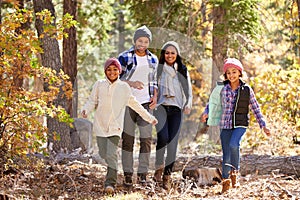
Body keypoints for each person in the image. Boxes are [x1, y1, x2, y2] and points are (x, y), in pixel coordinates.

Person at [81, 58, 157, 194]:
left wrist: (149, 117)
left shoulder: (123, 87)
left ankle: (110, 183)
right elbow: (92, 100)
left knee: (111, 154)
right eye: (109, 70)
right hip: (100, 125)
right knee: (104, 153)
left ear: (119, 71)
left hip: (115, 127)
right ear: (105, 71)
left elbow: (135, 105)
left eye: (115, 69)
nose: (112, 72)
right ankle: (111, 176)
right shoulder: (99, 85)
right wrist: (86, 110)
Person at [201, 58, 271, 193]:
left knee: (234, 144)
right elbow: (213, 103)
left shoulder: (246, 90)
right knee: (226, 154)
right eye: (228, 73)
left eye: (234, 72)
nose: (231, 75)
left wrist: (263, 125)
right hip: (225, 124)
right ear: (226, 75)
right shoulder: (222, 88)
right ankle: (226, 181)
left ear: (240, 73)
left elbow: (256, 108)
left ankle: (235, 173)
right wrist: (206, 112)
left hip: (240, 124)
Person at [118, 25, 158, 186]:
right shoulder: (124, 57)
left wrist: (155, 96)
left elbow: (154, 80)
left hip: (146, 104)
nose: (142, 44)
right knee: (128, 140)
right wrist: (131, 82)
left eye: (146, 41)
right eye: (140, 41)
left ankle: (143, 176)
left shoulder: (153, 59)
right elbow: (115, 79)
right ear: (135, 41)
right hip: (128, 104)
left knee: (146, 139)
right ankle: (128, 175)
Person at [153, 41, 193, 190]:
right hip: (161, 107)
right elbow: (152, 87)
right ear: (163, 54)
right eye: (167, 53)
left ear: (177, 55)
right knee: (163, 137)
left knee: (173, 143)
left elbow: (188, 91)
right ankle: (158, 167)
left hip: (176, 109)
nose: (170, 55)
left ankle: (167, 176)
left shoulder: (182, 70)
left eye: (173, 53)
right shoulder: (158, 69)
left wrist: (188, 103)